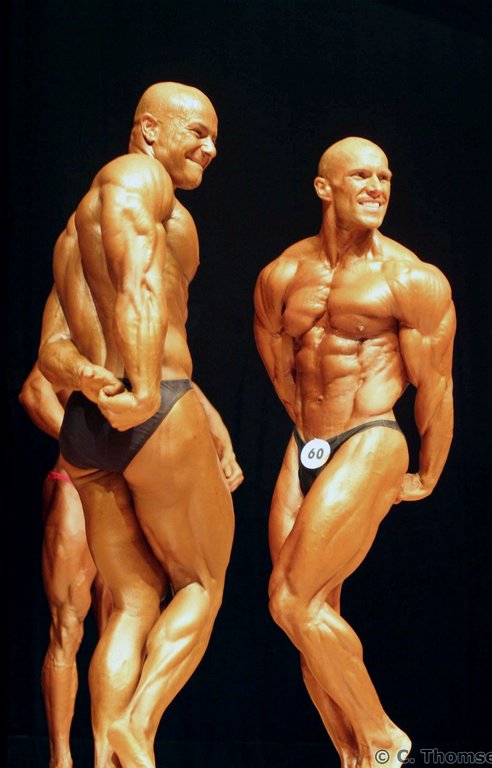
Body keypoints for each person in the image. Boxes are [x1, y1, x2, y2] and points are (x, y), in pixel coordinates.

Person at [38, 81, 243, 768]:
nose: (210, 150)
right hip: (152, 405)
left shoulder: (73, 232)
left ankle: (110, 757)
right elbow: (141, 289)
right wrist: (147, 390)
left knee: (131, 602)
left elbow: (52, 350)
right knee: (202, 584)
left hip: (87, 427)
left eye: (214, 139)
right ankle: (139, 722)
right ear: (151, 129)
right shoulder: (139, 179)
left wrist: (91, 378)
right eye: (198, 133)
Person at [254, 136, 455, 768]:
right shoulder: (282, 274)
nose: (376, 188)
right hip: (306, 443)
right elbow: (278, 363)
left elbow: (437, 385)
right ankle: (356, 756)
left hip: (370, 436)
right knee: (307, 618)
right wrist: (307, 429)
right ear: (325, 188)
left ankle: (385, 739)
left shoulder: (411, 278)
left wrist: (428, 472)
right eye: (362, 176)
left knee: (290, 598)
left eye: (385, 178)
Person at [19, 363, 113, 768]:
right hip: (76, 485)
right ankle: (61, 760)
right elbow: (33, 391)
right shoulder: (75, 338)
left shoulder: (148, 340)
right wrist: (81, 446)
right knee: (67, 628)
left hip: (127, 492)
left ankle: (107, 757)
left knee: (121, 629)